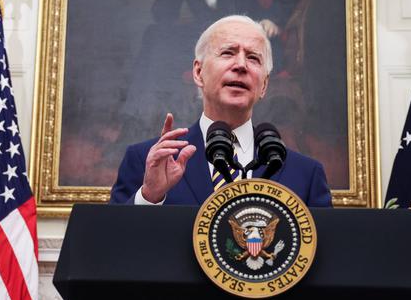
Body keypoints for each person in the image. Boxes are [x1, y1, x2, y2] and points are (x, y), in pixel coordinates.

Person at [110, 15, 331, 207]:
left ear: (264, 85)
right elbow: (112, 249)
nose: (241, 65)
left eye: (253, 58)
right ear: (198, 73)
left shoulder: (305, 175)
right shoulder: (146, 160)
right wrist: (149, 196)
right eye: (228, 53)